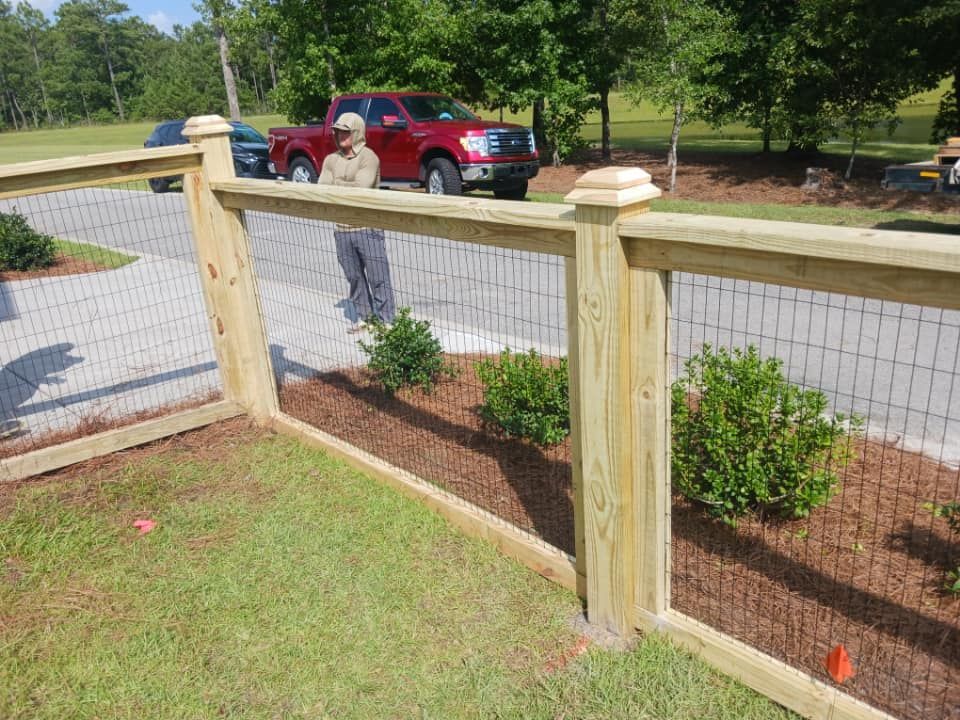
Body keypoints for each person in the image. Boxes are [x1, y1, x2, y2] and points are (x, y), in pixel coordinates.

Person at [318, 112, 396, 333]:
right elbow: (320, 187)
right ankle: (365, 317)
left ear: (357, 132)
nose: (341, 135)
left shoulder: (368, 157)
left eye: (346, 131)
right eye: (338, 131)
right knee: (353, 276)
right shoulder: (331, 160)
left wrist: (337, 186)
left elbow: (361, 189)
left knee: (378, 276)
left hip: (368, 227)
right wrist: (343, 186)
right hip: (341, 228)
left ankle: (387, 321)